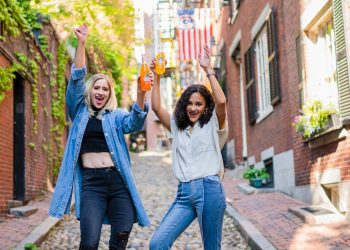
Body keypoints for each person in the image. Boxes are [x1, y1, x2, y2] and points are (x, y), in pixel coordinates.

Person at [49, 24, 150, 250]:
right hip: (92, 184)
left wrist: (141, 91)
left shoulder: (115, 117)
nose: (100, 92)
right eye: (97, 88)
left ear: (109, 94)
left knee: (121, 236)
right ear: (90, 91)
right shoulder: (79, 111)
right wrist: (82, 42)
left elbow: (135, 121)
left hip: (118, 182)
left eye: (105, 89)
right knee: (90, 243)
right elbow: (76, 79)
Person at [149, 45, 228, 249]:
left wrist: (207, 69)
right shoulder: (177, 126)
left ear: (205, 107)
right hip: (184, 193)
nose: (193, 108)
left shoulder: (212, 124)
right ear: (184, 105)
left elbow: (221, 101)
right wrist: (156, 76)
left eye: (199, 104)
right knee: (157, 244)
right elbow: (157, 108)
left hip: (209, 189)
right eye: (190, 103)